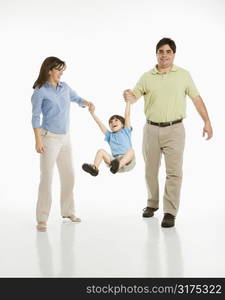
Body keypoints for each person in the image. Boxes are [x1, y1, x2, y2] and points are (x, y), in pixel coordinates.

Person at [123, 38, 213, 228]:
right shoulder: (147, 77)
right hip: (151, 130)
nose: (164, 55)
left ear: (173, 54)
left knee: (174, 173)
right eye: (161, 51)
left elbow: (196, 99)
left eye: (168, 51)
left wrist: (207, 121)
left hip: (175, 130)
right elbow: (134, 97)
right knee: (150, 171)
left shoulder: (183, 75)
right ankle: (152, 204)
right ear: (156, 54)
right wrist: (128, 96)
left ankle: (170, 212)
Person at [31, 56, 92, 231]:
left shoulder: (65, 88)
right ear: (49, 70)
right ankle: (42, 218)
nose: (61, 73)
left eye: (63, 70)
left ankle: (68, 211)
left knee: (69, 175)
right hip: (49, 139)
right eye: (59, 69)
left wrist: (86, 103)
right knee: (47, 178)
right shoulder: (40, 91)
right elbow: (35, 118)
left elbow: (76, 98)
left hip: (66, 138)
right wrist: (38, 141)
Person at [82, 100, 135, 176]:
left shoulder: (126, 131)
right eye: (111, 122)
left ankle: (118, 166)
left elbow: (127, 115)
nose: (113, 122)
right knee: (101, 151)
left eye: (116, 120)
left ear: (123, 124)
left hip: (127, 162)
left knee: (131, 151)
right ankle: (94, 168)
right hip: (114, 162)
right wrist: (92, 113)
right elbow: (100, 124)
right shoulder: (110, 136)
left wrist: (128, 102)